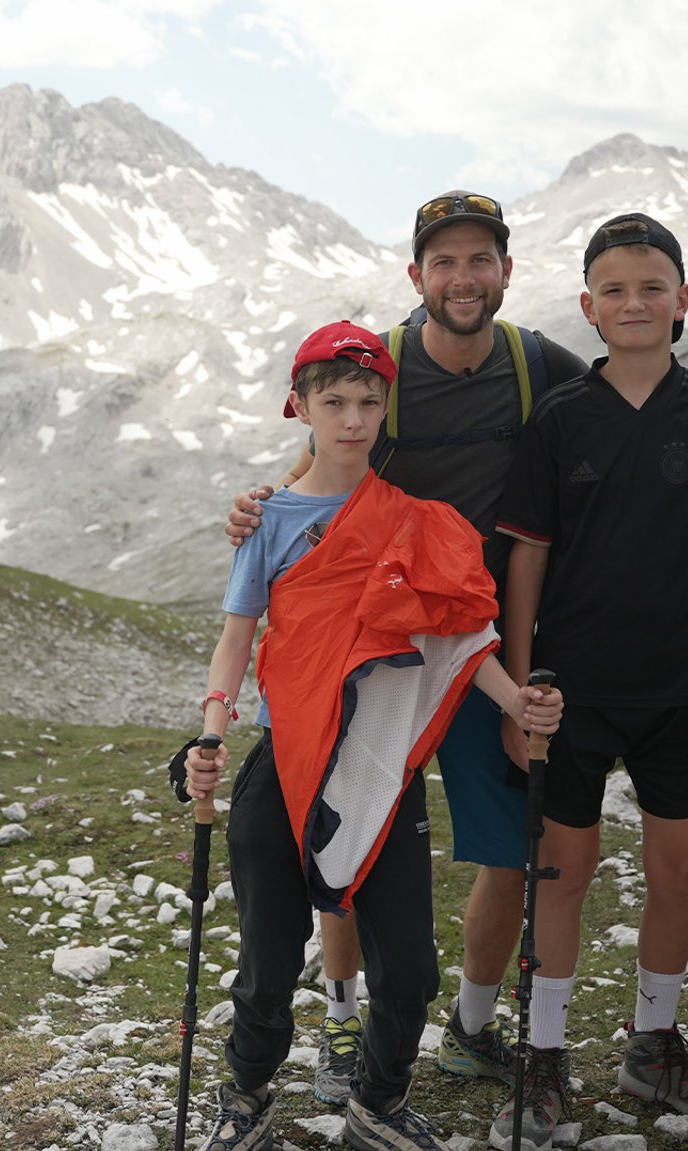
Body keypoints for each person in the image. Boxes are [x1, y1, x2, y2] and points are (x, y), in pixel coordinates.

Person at [227, 191, 589, 1106]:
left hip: (470, 631)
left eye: (480, 261)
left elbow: (603, 444)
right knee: (345, 813)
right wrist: (263, 510)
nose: (462, 278)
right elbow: (325, 450)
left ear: (506, 271)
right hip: (373, 642)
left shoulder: (539, 362)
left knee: (503, 844)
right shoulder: (378, 360)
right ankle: (345, 1020)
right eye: (444, 262)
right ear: (417, 275)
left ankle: (467, 1029)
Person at [184, 320, 563, 1151]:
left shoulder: (418, 520)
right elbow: (237, 635)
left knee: (412, 970)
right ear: (302, 407)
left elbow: (462, 637)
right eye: (334, 401)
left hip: (380, 765)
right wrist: (211, 731)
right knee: (267, 964)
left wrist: (515, 703)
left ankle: (378, 1106)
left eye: (367, 401)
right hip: (283, 761)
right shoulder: (270, 520)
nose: (352, 418)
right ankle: (246, 1096)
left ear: (386, 408)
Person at [490, 213, 688, 1149]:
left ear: (684, 300)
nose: (634, 302)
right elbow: (524, 561)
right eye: (613, 288)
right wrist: (521, 687)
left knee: (677, 868)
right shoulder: (561, 417)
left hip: (681, 693)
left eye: (653, 286)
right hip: (569, 692)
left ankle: (652, 1041)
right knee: (562, 871)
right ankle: (544, 1052)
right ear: (587, 307)